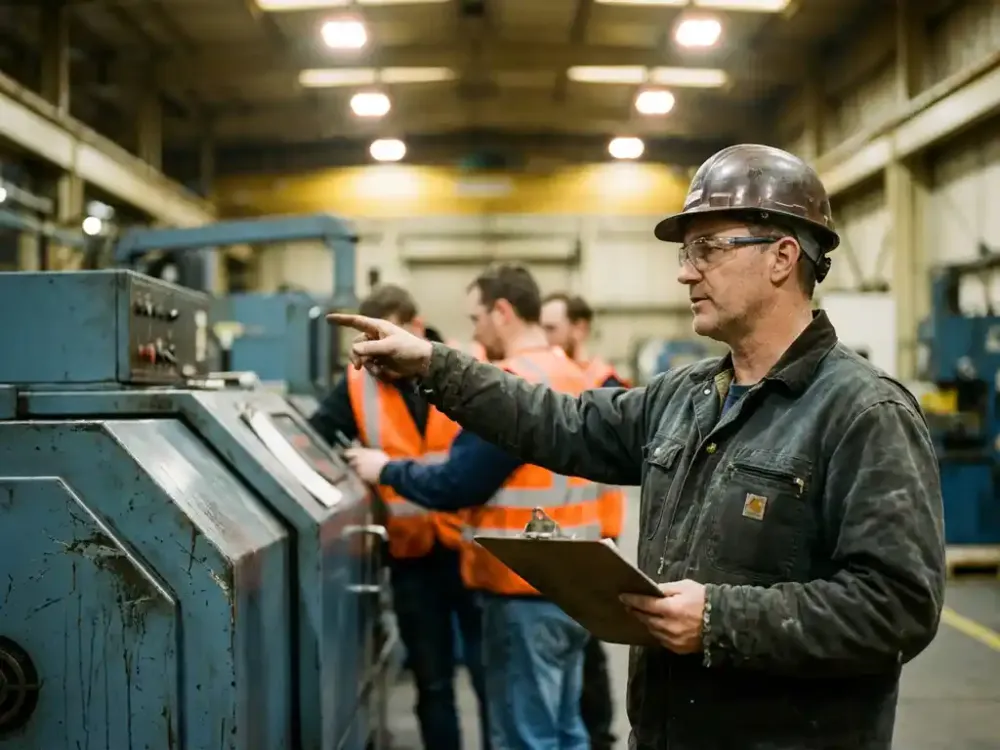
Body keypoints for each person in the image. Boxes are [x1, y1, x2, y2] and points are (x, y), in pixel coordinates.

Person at [327, 143, 946, 750]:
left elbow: (898, 606)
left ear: (782, 256)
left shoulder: (864, 413)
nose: (685, 271)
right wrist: (434, 365)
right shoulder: (685, 396)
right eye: (686, 252)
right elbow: (557, 421)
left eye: (708, 248)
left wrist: (718, 619)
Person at [344, 265, 599, 750]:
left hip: (523, 590)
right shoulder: (570, 372)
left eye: (476, 318)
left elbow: (459, 481)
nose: (475, 333)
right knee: (565, 731)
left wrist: (386, 470)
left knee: (527, 739)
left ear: (502, 312)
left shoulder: (515, 385)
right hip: (577, 584)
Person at [308, 284, 489, 750]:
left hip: (471, 549)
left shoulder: (465, 368)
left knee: (490, 677)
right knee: (433, 684)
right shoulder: (357, 384)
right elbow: (312, 442)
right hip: (412, 558)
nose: (380, 356)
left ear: (415, 327)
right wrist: (349, 475)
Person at [540, 291, 626, 750]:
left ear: (580, 328)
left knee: (589, 646)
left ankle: (599, 735)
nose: (545, 338)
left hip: (598, 532)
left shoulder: (604, 383)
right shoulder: (548, 376)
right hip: (559, 531)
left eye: (552, 328)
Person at [541, 292, 631, 387]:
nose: (541, 337)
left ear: (580, 329)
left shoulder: (604, 382)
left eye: (550, 329)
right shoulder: (541, 374)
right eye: (539, 329)